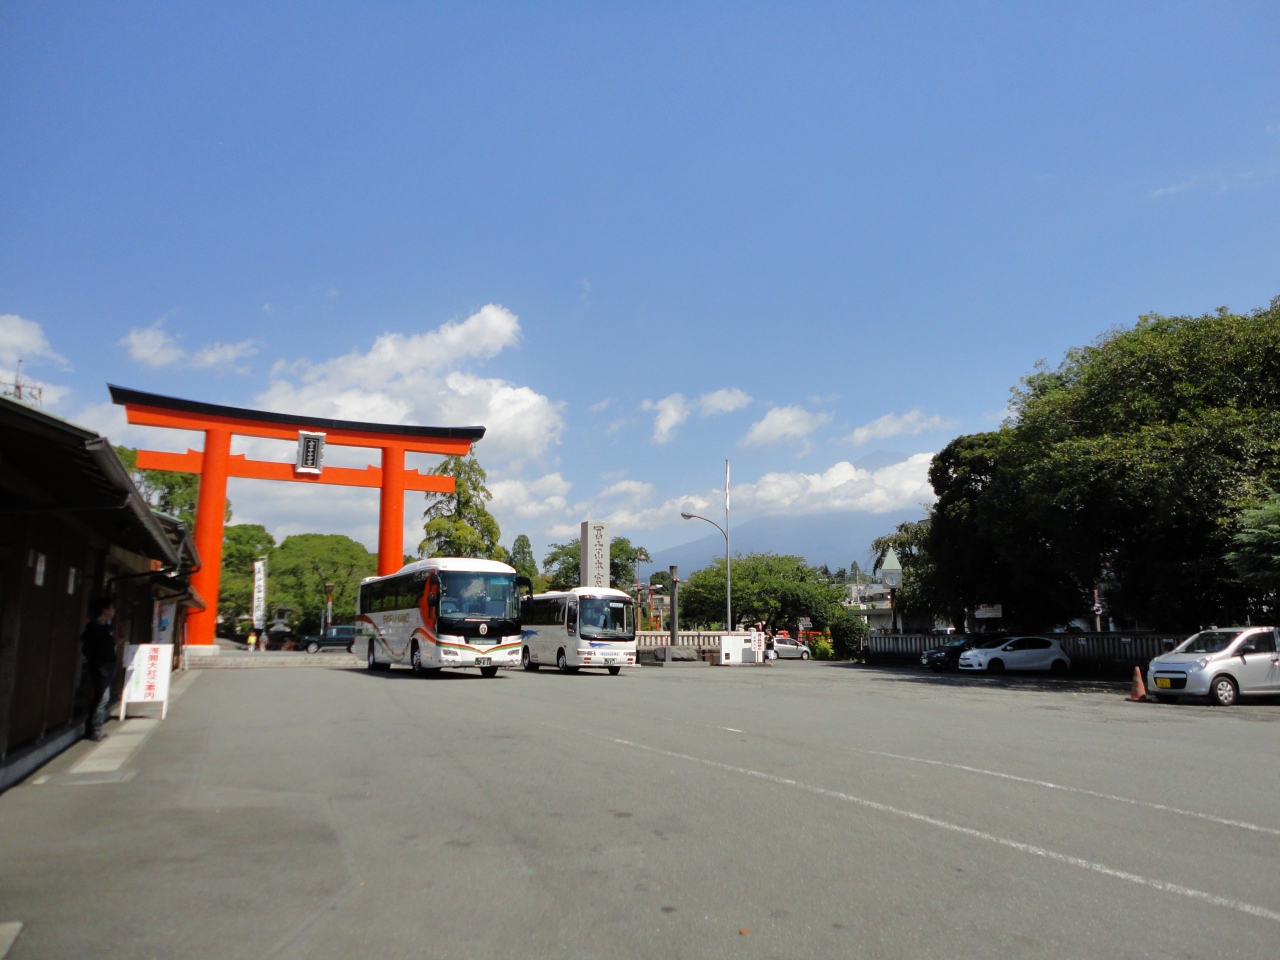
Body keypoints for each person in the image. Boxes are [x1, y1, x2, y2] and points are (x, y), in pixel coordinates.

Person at [79, 598, 118, 742]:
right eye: (111, 607)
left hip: (108, 664)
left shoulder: (106, 626)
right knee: (102, 698)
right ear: (104, 610)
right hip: (101, 666)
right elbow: (87, 648)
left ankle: (93, 729)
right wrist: (97, 665)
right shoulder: (94, 626)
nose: (113, 610)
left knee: (100, 698)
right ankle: (95, 730)